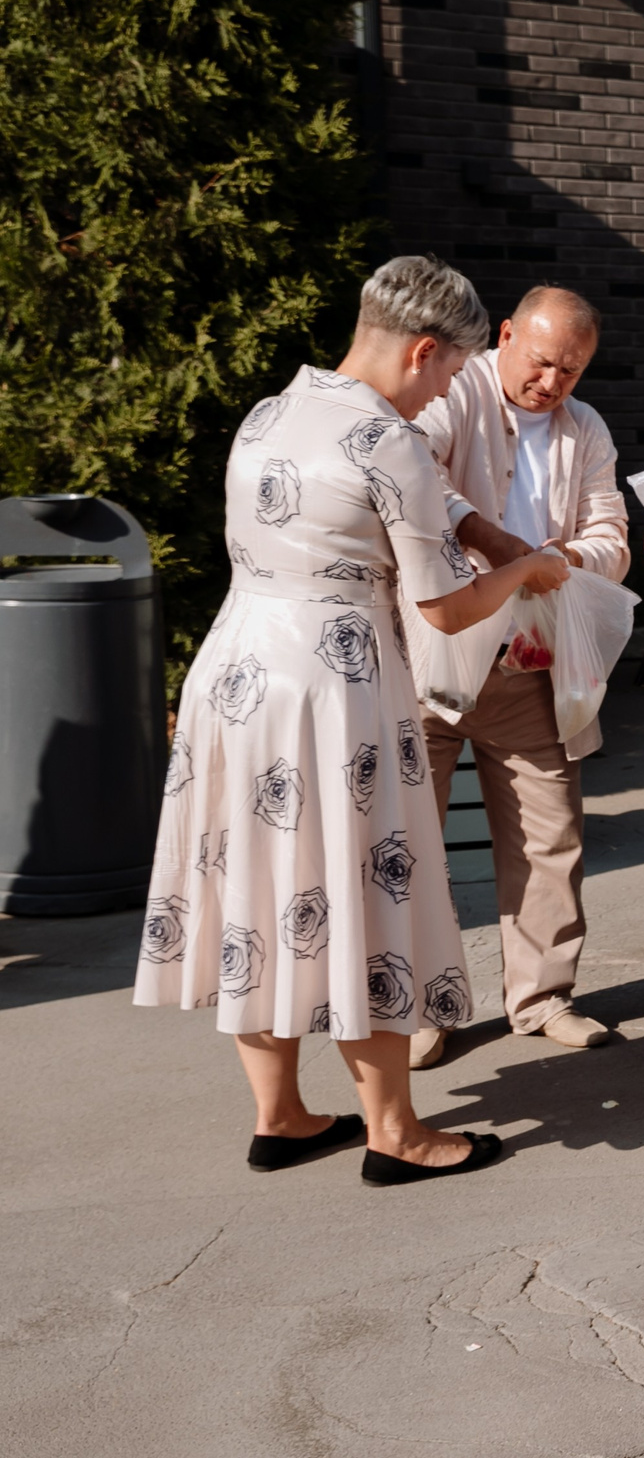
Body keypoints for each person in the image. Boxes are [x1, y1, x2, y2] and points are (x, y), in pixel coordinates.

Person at [135, 255, 572, 1183]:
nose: (445, 392)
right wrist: (527, 571)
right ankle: (396, 1132)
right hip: (332, 683)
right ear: (423, 350)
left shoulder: (270, 411)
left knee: (258, 881)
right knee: (361, 885)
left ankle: (281, 1112)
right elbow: (446, 607)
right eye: (452, 373)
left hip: (236, 668)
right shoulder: (390, 441)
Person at [410, 284, 630, 1066]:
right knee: (409, 835)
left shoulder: (587, 426)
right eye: (542, 362)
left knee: (549, 834)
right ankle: (416, 1008)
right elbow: (412, 476)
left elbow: (612, 534)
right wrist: (498, 543)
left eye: (571, 371)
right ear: (506, 334)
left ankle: (543, 998)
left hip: (532, 657)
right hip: (429, 648)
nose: (552, 383)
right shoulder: (455, 390)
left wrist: (556, 562)